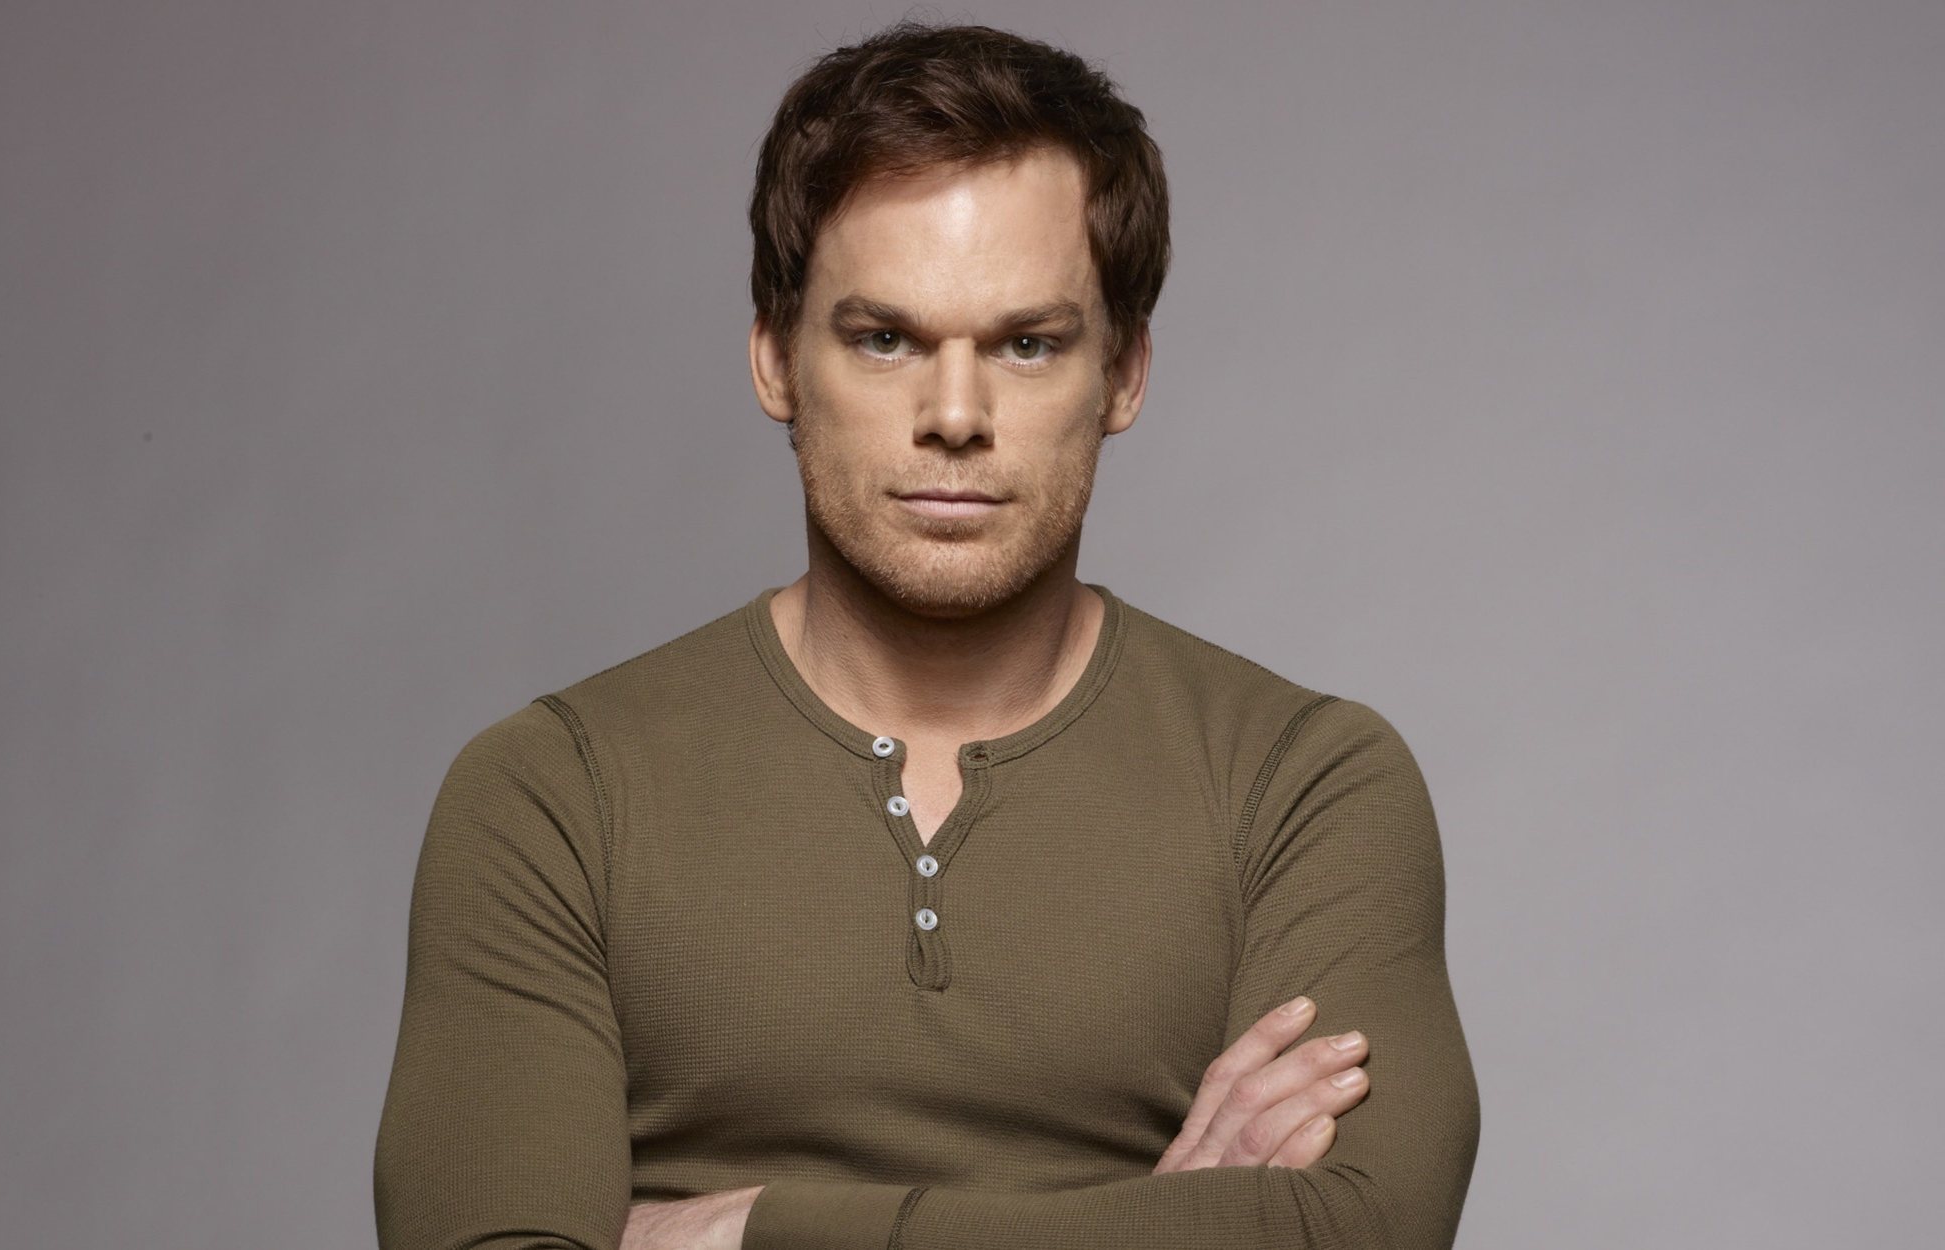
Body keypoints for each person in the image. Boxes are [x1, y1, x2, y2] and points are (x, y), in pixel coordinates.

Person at [374, 19, 1479, 1250]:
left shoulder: (1303, 782)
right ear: (774, 360)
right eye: (884, 337)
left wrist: (749, 1230)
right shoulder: (553, 793)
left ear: (1122, 375)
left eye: (1026, 343)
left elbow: (1357, 1230)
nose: (954, 414)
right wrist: (1157, 1227)